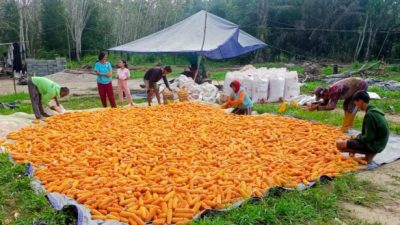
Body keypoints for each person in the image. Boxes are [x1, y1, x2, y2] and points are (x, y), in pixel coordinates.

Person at [336, 91, 389, 164]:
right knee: (352, 140)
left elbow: (368, 137)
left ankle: (370, 153)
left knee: (339, 144)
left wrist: (355, 139)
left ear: (360, 101)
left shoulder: (370, 115)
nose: (356, 106)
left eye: (356, 104)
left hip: (374, 145)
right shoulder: (374, 110)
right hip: (380, 144)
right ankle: (369, 156)